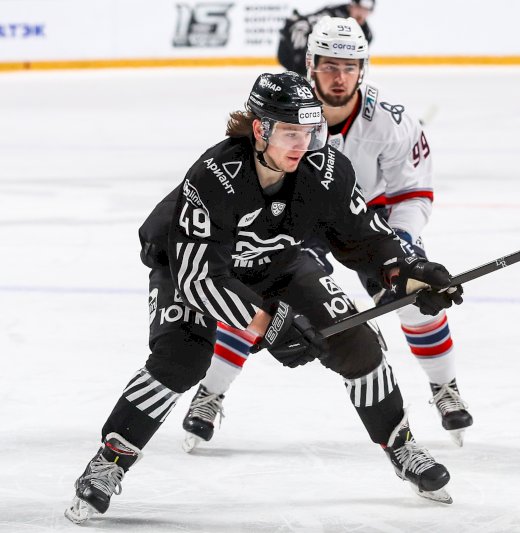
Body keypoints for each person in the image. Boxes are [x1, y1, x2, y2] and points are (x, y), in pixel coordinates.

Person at [64, 71, 464, 525]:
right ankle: (109, 461)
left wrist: (410, 273)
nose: (302, 144)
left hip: (275, 263)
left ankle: (400, 444)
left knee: (358, 343)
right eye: (290, 132)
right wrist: (268, 324)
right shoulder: (214, 177)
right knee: (181, 360)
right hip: (188, 268)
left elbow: (367, 239)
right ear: (261, 129)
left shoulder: (326, 170)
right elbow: (199, 279)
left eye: (309, 131)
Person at [181, 16, 474, 453]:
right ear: (310, 65)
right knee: (259, 297)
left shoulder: (392, 122)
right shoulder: (283, 113)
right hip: (298, 219)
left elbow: (412, 194)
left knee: (416, 296)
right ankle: (211, 391)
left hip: (366, 221)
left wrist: (403, 248)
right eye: (329, 66)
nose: (340, 77)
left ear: (363, 68)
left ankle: (444, 386)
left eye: (350, 67)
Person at [277, 0, 374, 77]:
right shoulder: (332, 14)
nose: (362, 13)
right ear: (351, 5)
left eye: (366, 10)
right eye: (359, 8)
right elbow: (299, 25)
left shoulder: (366, 34)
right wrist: (299, 59)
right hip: (290, 54)